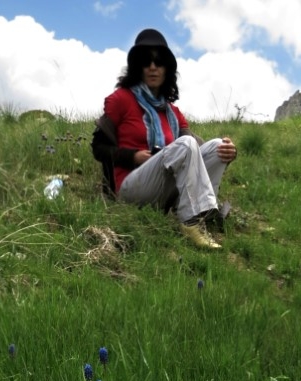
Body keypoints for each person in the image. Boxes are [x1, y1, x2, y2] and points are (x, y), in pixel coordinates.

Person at [92, 28, 237, 251]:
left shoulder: (173, 112)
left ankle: (204, 211)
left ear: (167, 69)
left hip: (161, 189)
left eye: (159, 61)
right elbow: (98, 148)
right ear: (137, 67)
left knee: (217, 146)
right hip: (131, 185)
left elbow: (193, 150)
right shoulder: (121, 99)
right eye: (146, 61)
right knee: (186, 145)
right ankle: (191, 222)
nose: (152, 66)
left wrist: (228, 152)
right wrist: (132, 157)